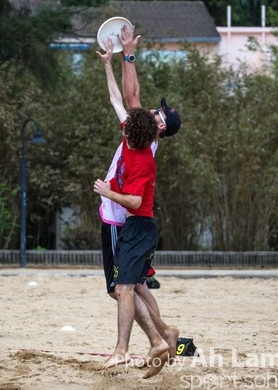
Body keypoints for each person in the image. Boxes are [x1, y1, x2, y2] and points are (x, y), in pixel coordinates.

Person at [96, 25, 182, 372]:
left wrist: (127, 53)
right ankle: (167, 337)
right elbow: (121, 99)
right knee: (133, 286)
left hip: (124, 219)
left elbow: (131, 97)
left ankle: (150, 341)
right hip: (125, 218)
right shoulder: (136, 131)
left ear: (160, 126)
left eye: (157, 113)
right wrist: (110, 63)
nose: (151, 111)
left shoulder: (145, 145)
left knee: (122, 289)